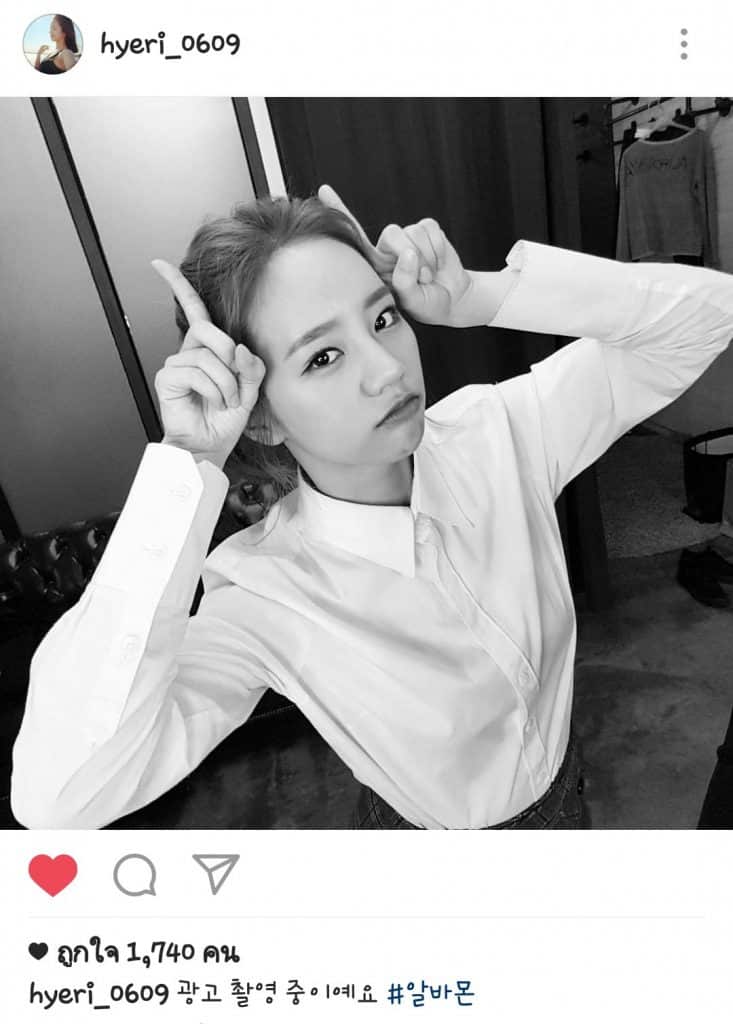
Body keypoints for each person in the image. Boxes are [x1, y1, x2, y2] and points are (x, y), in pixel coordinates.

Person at [10, 185, 733, 829]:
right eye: (322, 357)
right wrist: (186, 462)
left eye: (383, 318)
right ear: (262, 418)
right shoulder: (264, 594)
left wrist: (483, 296)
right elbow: (60, 800)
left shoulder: (499, 434)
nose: (388, 369)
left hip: (566, 792)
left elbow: (707, 317)